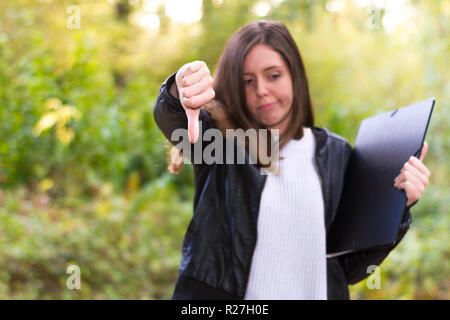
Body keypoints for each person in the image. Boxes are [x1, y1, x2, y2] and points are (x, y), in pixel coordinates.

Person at [153, 20, 431, 300]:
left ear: (295, 77)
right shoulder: (222, 146)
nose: (261, 89)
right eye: (247, 81)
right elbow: (173, 117)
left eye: (273, 75)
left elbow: (350, 269)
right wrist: (180, 88)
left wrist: (400, 208)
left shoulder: (336, 154)